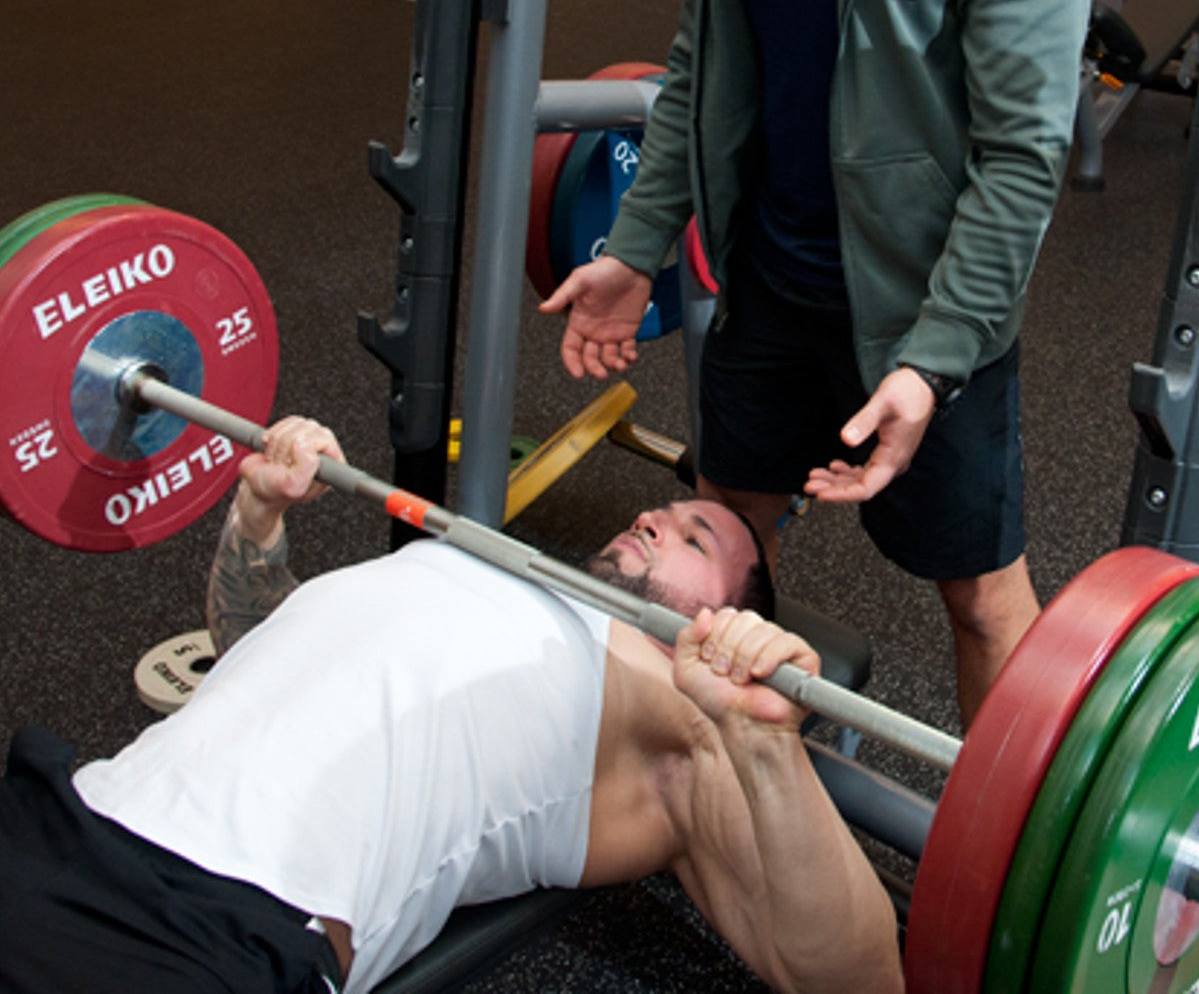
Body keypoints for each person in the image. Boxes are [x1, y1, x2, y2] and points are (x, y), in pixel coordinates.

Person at [0, 417, 903, 994]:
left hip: (218, 927)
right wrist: (258, 526)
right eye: (662, 511)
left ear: (726, 618)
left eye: (693, 534)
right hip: (70, 806)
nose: (656, 519)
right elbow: (251, 662)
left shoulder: (675, 709)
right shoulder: (474, 559)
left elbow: (853, 978)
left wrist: (761, 743)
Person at [539, 0, 1092, 726]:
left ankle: (1002, 862)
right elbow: (701, 62)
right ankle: (726, 803)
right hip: (770, 278)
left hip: (923, 314)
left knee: (985, 603)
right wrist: (639, 247)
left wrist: (937, 357)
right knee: (723, 541)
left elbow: (1023, 154)